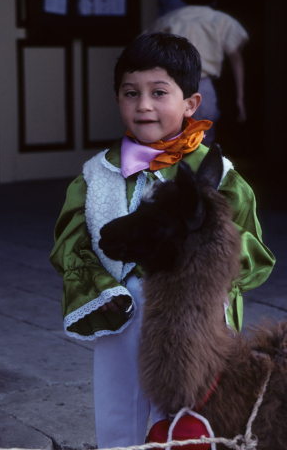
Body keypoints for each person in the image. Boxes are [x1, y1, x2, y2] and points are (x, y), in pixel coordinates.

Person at [49, 33, 275, 448]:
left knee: (192, 405)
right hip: (122, 312)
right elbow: (72, 244)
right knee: (119, 401)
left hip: (193, 318)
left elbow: (248, 246)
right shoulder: (95, 177)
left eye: (159, 93)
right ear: (118, 98)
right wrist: (100, 288)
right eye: (131, 93)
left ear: (190, 103)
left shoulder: (220, 176)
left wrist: (202, 274)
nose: (144, 105)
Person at [146, 0, 249, 145]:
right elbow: (236, 59)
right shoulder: (221, 20)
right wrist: (239, 98)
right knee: (202, 145)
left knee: (172, 145)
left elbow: (146, 51)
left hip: (171, 88)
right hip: (203, 88)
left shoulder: (168, 20)